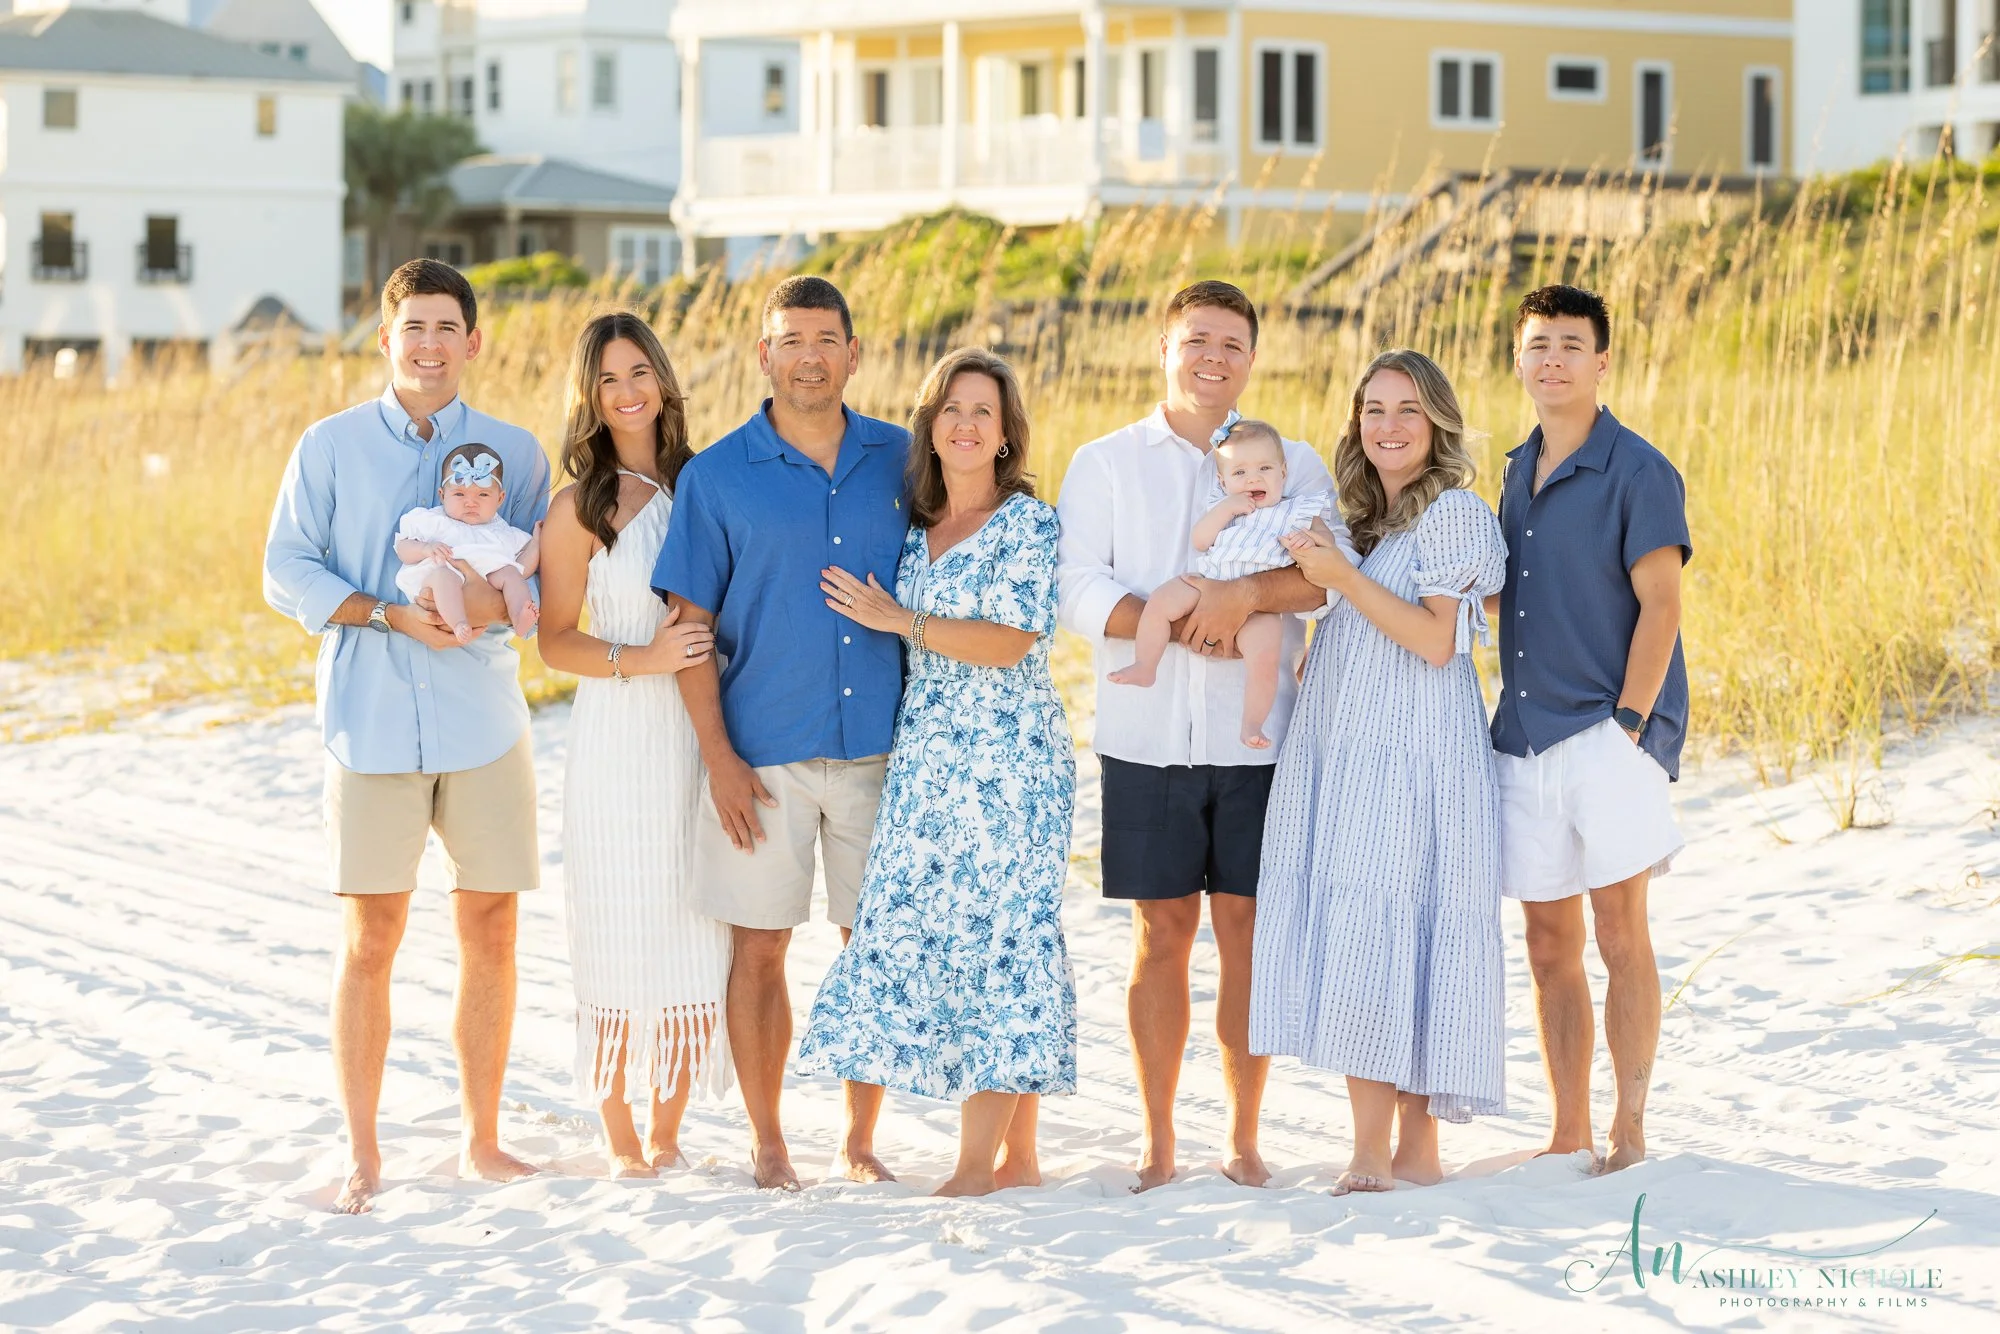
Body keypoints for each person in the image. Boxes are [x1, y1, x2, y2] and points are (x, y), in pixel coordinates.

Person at [262, 258, 549, 1215]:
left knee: (492, 928)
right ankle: (364, 1153)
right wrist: (388, 614)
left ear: (474, 341)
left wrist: (489, 599)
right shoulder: (330, 445)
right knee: (370, 938)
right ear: (384, 340)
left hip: (483, 723)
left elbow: (536, 577)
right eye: (410, 328)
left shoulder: (517, 451)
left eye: (446, 328)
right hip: (370, 721)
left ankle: (482, 1138)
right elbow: (285, 568)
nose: (428, 345)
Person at [1055, 280, 1350, 1192]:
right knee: (1162, 933)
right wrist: (1178, 623)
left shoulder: (1294, 461)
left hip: (1257, 742)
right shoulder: (1105, 463)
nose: (1212, 357)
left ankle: (1245, 1137)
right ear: (1164, 348)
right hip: (1145, 738)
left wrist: (1243, 600)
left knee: (1247, 929)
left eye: (1231, 344)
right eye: (1197, 340)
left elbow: (1327, 579)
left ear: (1251, 360)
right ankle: (1155, 1138)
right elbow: (1075, 586)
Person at [796, 348, 1076, 1198]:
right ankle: (1019, 1157)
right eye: (951, 408)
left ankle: (976, 1166)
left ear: (1004, 435)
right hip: (928, 760)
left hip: (1010, 760)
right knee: (938, 934)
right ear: (931, 425)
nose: (965, 423)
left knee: (1007, 939)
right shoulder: (916, 532)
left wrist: (901, 618)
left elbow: (1012, 640)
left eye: (983, 411)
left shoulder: (1029, 523)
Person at [652, 275, 912, 1191]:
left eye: (826, 339)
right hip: (762, 756)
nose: (810, 356)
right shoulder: (717, 476)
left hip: (883, 751)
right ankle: (769, 1141)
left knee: (871, 947)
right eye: (790, 340)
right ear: (764, 355)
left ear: (853, 352)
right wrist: (718, 760)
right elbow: (685, 633)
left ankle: (860, 1138)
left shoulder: (903, 460)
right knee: (760, 947)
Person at [1250, 349, 1509, 1196]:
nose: (1388, 426)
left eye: (1407, 410)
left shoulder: (1456, 516)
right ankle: (1372, 1145)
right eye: (1374, 409)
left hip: (1420, 753)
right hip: (1347, 742)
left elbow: (1439, 642)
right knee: (1364, 922)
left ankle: (1407, 1151)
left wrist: (1342, 579)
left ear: (1437, 422)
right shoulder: (1356, 521)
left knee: (1415, 920)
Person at [1488, 284, 1690, 1174]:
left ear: (1602, 361)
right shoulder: (1511, 469)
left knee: (1619, 932)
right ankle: (1569, 1126)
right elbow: (1506, 597)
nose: (1554, 360)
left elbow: (1663, 603)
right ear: (1520, 359)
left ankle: (1630, 1125)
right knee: (1547, 942)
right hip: (1523, 738)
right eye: (1538, 346)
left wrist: (1631, 725)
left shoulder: (1639, 469)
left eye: (1572, 345)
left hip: (1610, 735)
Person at [536, 312, 733, 1178]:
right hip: (618, 740)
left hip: (697, 737)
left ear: (663, 379)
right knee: (617, 919)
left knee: (694, 921)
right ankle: (621, 1136)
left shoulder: (707, 483)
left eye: (639, 373)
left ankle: (669, 1130)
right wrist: (643, 657)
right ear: (591, 394)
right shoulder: (578, 507)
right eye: (609, 379)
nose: (627, 392)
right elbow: (552, 640)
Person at [1109, 418, 1345, 748]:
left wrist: (1310, 543)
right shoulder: (1224, 508)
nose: (1253, 479)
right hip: (1209, 582)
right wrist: (1226, 508)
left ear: (1283, 472)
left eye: (1265, 468)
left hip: (1262, 606)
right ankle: (1146, 664)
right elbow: (1201, 540)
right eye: (1239, 473)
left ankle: (1252, 724)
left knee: (1265, 660)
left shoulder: (1298, 510)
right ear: (1222, 481)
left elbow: (1328, 547)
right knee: (1160, 602)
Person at [393, 444, 541, 645]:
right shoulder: (432, 521)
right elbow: (403, 548)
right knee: (444, 577)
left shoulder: (503, 532)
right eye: (459, 494)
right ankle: (459, 622)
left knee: (511, 574)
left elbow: (523, 565)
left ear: (500, 499)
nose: (471, 502)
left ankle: (519, 617)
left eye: (483, 495)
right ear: (442, 495)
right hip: (442, 571)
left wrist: (538, 540)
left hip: (485, 579)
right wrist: (425, 549)